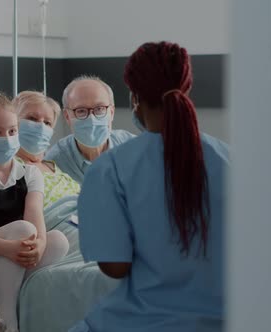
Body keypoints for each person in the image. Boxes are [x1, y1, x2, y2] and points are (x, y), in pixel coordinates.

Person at [70, 42, 229, 332]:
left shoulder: (110, 170)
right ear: (187, 88)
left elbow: (115, 266)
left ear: (134, 97)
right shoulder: (231, 161)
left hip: (142, 321)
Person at [0, 84, 69, 332]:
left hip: (12, 252)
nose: (5, 139)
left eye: (12, 131)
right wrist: (10, 248)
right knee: (22, 229)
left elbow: (35, 215)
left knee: (58, 241)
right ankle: (9, 321)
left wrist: (38, 245)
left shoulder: (29, 174)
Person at [45, 76, 135, 184]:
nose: (91, 118)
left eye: (99, 109)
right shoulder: (55, 163)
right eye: (81, 111)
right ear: (67, 116)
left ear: (111, 112)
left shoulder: (134, 149)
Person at [13, 90, 80, 208]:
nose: (41, 126)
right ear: (12, 120)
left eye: (47, 123)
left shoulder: (53, 167)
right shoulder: (5, 166)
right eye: (32, 118)